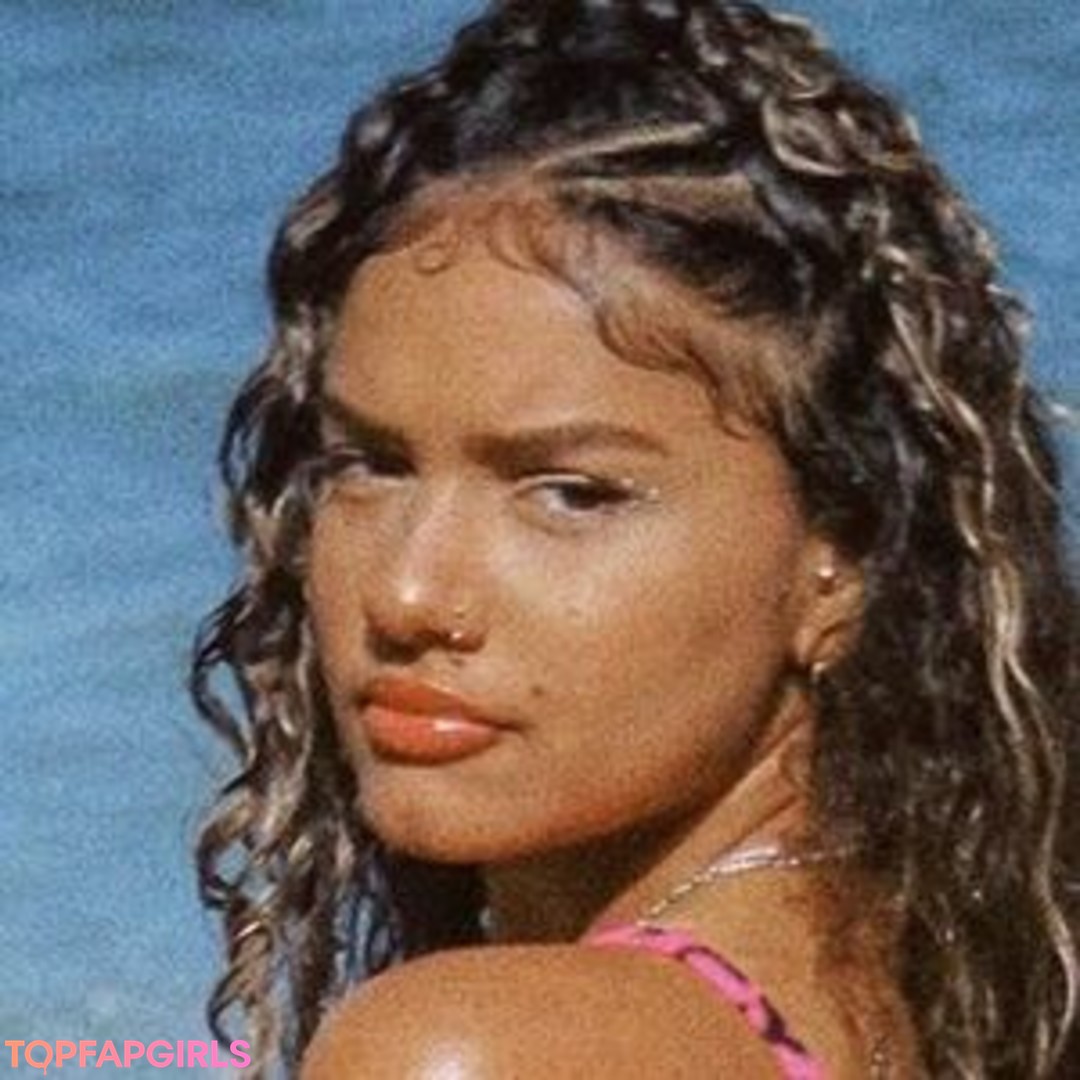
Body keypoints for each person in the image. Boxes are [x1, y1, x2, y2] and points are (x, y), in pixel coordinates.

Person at [191, 1, 1080, 1076]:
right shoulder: (954, 997)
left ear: (842, 563)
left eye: (572, 494)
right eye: (368, 464)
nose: (408, 596)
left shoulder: (470, 1056)